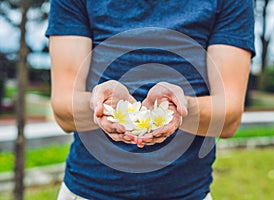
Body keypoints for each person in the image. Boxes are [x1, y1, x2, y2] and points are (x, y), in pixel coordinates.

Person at [46, 0, 255, 199]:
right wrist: (100, 106)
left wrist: (181, 108)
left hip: (189, 194)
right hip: (87, 192)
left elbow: (229, 118)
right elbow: (64, 111)